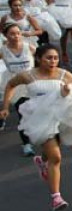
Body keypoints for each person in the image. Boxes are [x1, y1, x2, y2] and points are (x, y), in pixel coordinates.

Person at [1, 44, 72, 211]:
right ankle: (56, 198)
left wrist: (68, 92)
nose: (53, 61)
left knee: (53, 150)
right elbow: (10, 85)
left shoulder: (65, 75)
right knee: (56, 157)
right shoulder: (28, 76)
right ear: (38, 58)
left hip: (61, 118)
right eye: (48, 58)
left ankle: (42, 162)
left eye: (55, 58)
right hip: (40, 120)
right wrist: (5, 107)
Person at [0, 24, 37, 154]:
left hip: (30, 83)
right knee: (22, 113)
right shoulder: (3, 50)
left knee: (34, 112)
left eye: (18, 33)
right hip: (14, 85)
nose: (16, 36)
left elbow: (41, 60)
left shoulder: (29, 47)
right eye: (12, 34)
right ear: (5, 35)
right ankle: (26, 144)